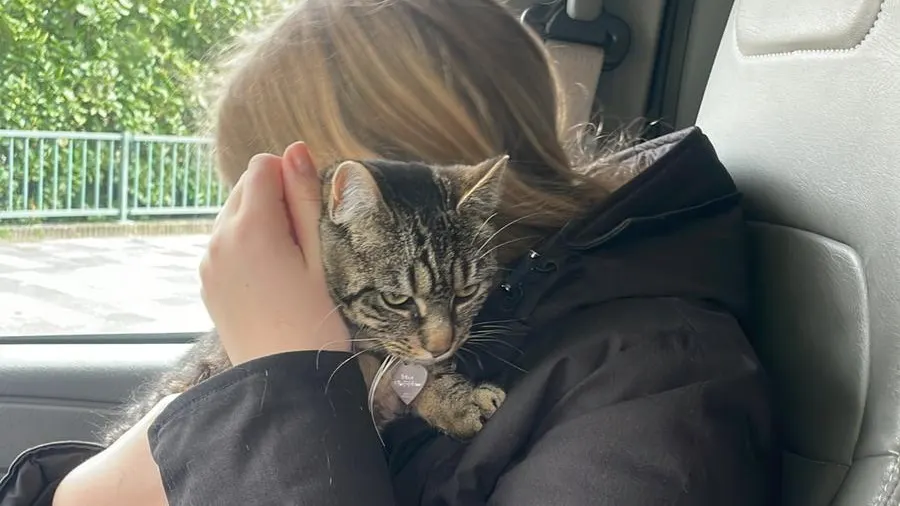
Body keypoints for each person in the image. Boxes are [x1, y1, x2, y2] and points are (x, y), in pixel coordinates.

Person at [0, 0, 777, 504]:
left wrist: (284, 383)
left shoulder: (657, 385)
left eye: (275, 222)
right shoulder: (355, 320)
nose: (259, 253)